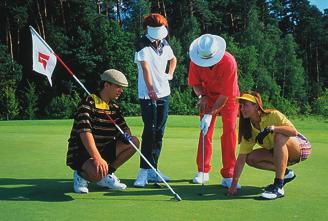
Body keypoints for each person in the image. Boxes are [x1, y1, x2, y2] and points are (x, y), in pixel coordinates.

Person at [66, 69, 140, 193]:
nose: (121, 90)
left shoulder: (114, 108)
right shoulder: (88, 103)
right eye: (118, 87)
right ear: (106, 85)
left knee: (134, 142)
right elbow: (85, 133)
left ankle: (107, 175)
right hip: (83, 153)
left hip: (104, 149)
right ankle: (80, 175)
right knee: (96, 173)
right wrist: (97, 158)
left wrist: (126, 134)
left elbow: (123, 126)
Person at [227, 91, 312, 199]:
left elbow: (293, 132)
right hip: (278, 154)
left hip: (300, 148)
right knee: (250, 158)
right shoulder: (248, 128)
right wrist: (233, 185)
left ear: (256, 106)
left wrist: (272, 128)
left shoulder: (273, 115)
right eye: (241, 106)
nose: (242, 108)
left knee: (279, 136)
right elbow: (242, 157)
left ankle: (279, 186)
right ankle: (285, 173)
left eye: (246, 105)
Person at [188, 34, 240, 188]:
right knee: (205, 131)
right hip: (207, 96)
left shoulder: (229, 61)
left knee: (229, 131)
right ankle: (203, 171)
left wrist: (210, 114)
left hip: (229, 97)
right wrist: (202, 95)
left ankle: (228, 174)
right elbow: (194, 83)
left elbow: (225, 94)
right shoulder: (195, 60)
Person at [133, 13, 177, 187]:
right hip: (147, 95)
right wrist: (151, 89)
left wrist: (170, 74)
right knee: (149, 132)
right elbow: (145, 68)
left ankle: (153, 170)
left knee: (159, 132)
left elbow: (173, 59)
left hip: (164, 93)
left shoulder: (164, 43)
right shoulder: (141, 44)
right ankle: (143, 172)